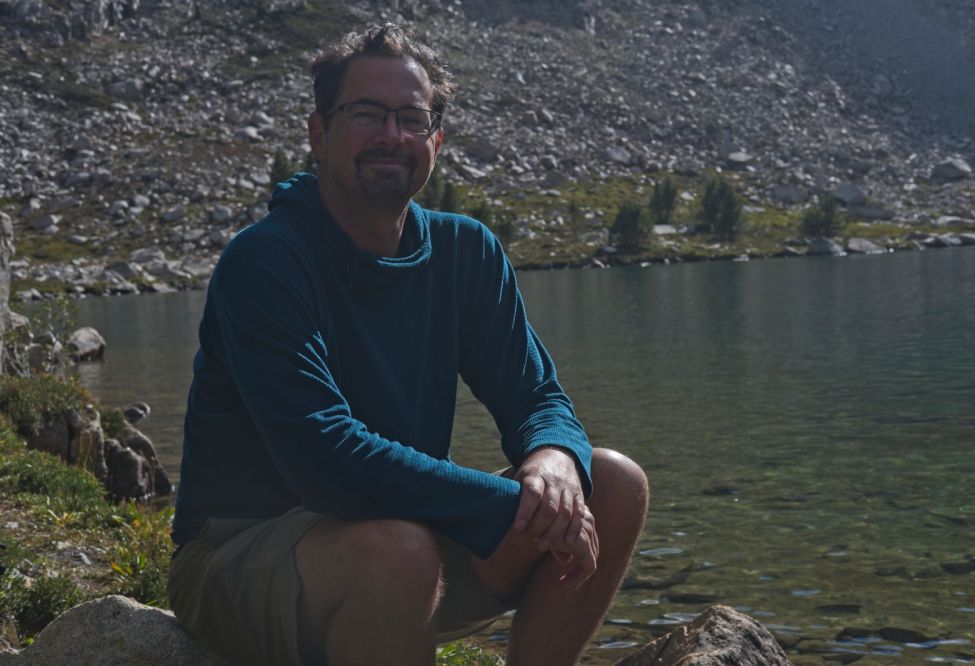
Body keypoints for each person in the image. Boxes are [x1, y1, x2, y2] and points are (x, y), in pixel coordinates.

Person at [168, 23, 648, 666]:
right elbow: (326, 459)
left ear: (436, 141)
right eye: (366, 113)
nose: (391, 135)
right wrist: (514, 506)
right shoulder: (267, 261)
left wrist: (553, 459)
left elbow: (534, 393)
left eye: (411, 119)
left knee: (611, 483)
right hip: (237, 560)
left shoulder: (465, 252)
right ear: (319, 133)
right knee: (398, 549)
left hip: (405, 544)